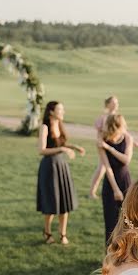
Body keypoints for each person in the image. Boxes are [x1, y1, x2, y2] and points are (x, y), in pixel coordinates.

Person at [37, 101, 85, 245]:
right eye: (60, 109)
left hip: (61, 167)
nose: (62, 112)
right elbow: (42, 150)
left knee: (64, 203)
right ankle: (47, 232)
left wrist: (73, 147)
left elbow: (60, 145)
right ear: (51, 112)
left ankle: (63, 234)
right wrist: (62, 150)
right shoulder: (44, 127)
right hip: (49, 167)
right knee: (51, 204)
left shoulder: (59, 125)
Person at [89, 96, 138, 199]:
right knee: (101, 170)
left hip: (115, 147)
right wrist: (102, 144)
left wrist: (133, 142)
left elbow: (123, 132)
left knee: (107, 169)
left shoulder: (118, 117)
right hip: (106, 146)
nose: (115, 104)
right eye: (113, 102)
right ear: (108, 104)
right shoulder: (103, 118)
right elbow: (100, 134)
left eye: (116, 102)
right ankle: (92, 191)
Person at [97, 114, 133, 244]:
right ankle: (110, 257)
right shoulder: (102, 140)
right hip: (110, 184)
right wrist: (116, 190)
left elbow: (126, 159)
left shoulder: (127, 138)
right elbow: (107, 168)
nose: (124, 128)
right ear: (115, 126)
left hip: (126, 182)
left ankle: (127, 255)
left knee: (128, 221)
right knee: (111, 223)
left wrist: (110, 148)